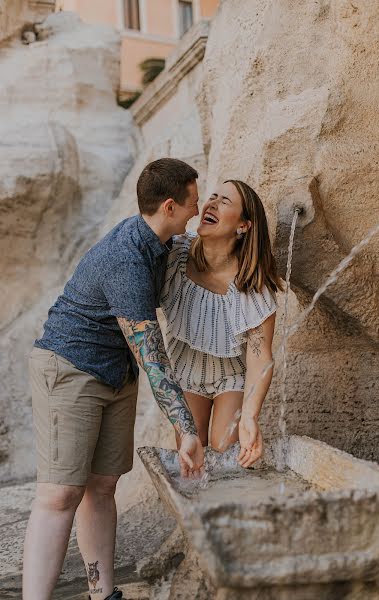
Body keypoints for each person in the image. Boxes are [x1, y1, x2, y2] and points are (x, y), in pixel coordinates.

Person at [23, 158, 204, 600]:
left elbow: (200, 250)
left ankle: (102, 594)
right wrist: (186, 428)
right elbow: (153, 358)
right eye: (192, 205)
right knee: (60, 493)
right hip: (71, 369)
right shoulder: (127, 258)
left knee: (102, 487)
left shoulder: (159, 241)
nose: (197, 212)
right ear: (169, 206)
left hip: (115, 374)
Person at [160, 179, 283, 468]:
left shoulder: (252, 284)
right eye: (212, 196)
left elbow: (259, 356)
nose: (211, 203)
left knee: (224, 453)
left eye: (225, 201)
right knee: (192, 457)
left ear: (243, 226)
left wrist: (250, 417)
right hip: (186, 371)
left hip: (231, 377)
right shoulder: (175, 254)